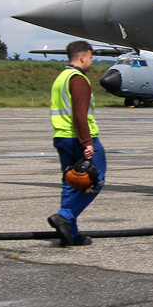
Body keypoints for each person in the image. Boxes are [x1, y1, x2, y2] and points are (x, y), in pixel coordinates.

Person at [48, 40, 104, 246]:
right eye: (90, 57)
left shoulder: (61, 77)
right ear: (83, 57)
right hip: (79, 138)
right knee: (96, 180)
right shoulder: (78, 79)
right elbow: (80, 115)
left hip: (62, 136)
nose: (91, 61)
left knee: (71, 183)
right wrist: (87, 142)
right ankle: (64, 216)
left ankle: (69, 232)